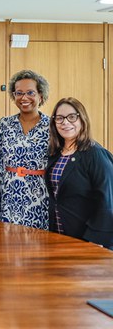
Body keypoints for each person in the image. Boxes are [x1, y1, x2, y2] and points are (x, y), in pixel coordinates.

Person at [45, 98, 113, 247]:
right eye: (60, 118)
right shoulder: (54, 153)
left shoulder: (95, 154)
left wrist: (97, 239)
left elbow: (107, 200)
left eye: (72, 117)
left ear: (82, 119)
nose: (65, 122)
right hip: (58, 234)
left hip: (88, 239)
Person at [0, 70, 51, 229]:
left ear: (40, 95)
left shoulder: (52, 126)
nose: (24, 97)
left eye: (30, 93)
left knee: (38, 246)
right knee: (8, 245)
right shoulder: (4, 124)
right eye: (19, 93)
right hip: (9, 196)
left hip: (40, 196)